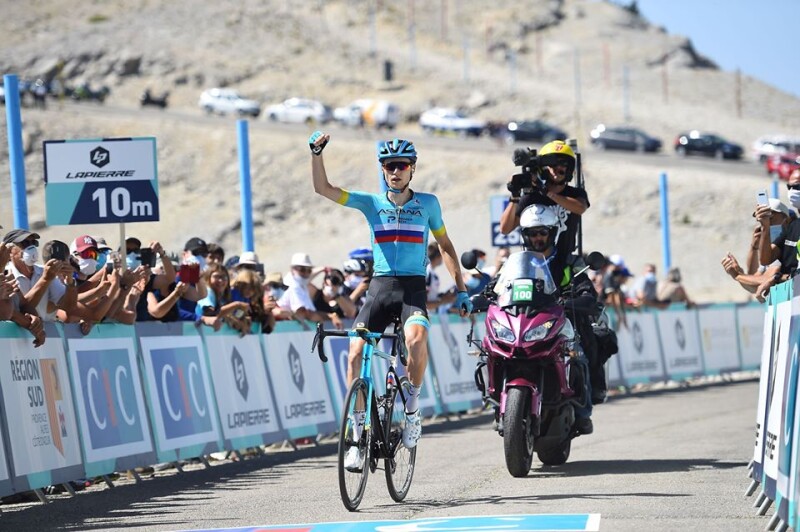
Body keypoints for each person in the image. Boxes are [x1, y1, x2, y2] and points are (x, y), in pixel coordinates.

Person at [309, 131, 471, 468]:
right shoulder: (371, 203)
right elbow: (323, 189)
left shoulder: (428, 204)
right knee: (355, 352)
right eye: (388, 166)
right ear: (382, 170)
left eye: (401, 165)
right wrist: (316, 154)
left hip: (412, 289)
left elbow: (445, 246)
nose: (395, 171)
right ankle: (356, 436)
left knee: (417, 339)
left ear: (412, 168)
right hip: (380, 289)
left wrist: (461, 289)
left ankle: (412, 409)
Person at [506, 204, 596, 431]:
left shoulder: (569, 262)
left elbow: (586, 289)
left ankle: (583, 412)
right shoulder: (516, 263)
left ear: (553, 232)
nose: (537, 238)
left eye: (542, 232)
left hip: (559, 322)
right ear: (524, 235)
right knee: (490, 350)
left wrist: (582, 296)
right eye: (532, 233)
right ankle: (496, 398)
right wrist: (484, 295)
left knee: (578, 356)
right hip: (524, 322)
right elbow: (498, 286)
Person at [499, 140, 589, 260]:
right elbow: (505, 229)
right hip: (534, 262)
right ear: (544, 169)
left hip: (566, 261)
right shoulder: (531, 198)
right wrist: (514, 196)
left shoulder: (575, 194)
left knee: (582, 271)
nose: (557, 168)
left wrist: (547, 193)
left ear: (569, 168)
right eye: (552, 164)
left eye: (563, 164)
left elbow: (580, 208)